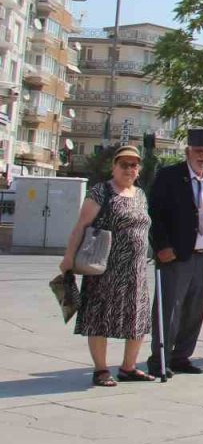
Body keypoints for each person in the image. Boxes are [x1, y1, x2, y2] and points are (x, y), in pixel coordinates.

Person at [59, 145, 154, 387]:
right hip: (104, 268)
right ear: (114, 166)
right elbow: (81, 225)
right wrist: (69, 257)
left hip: (135, 270)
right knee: (99, 318)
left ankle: (128, 367)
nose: (129, 169)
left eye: (134, 165)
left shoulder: (140, 194)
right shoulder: (101, 191)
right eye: (124, 164)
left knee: (137, 318)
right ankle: (101, 369)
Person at [146, 129, 203, 378]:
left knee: (194, 310)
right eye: (198, 151)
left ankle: (182, 356)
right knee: (170, 308)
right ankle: (160, 358)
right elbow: (155, 214)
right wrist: (161, 246)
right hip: (176, 255)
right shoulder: (170, 176)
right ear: (188, 151)